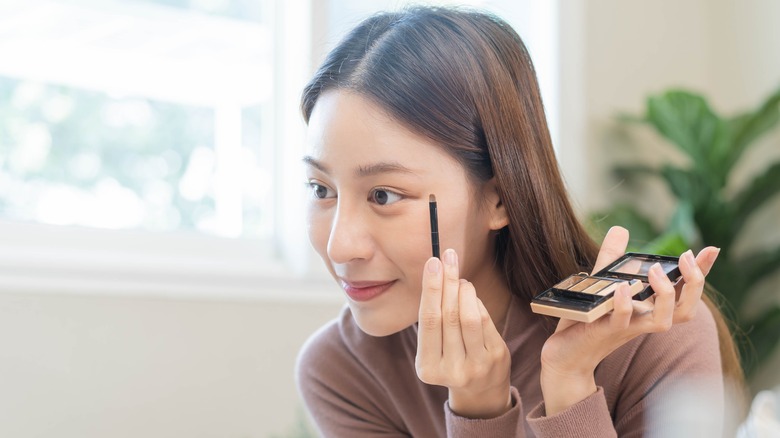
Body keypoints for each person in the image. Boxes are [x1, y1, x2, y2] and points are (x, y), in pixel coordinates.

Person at [295, 6, 741, 437]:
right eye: (320, 189)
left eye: (383, 195)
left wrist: (570, 383)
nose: (339, 246)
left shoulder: (655, 336)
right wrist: (477, 410)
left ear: (499, 198)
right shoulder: (342, 373)